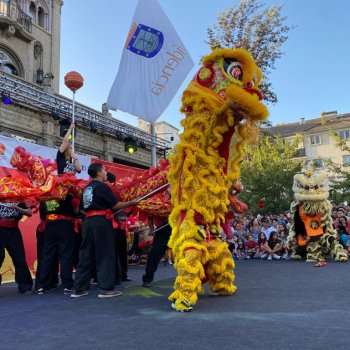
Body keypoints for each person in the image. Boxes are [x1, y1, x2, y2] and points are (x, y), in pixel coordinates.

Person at [70, 163, 138, 298]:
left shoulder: (87, 188)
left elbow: (82, 209)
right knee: (105, 254)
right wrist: (131, 203)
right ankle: (107, 289)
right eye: (105, 170)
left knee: (86, 255)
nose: (106, 173)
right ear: (99, 173)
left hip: (88, 223)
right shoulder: (102, 187)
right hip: (101, 222)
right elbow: (115, 205)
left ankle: (79, 288)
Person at [36, 193, 78, 294]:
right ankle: (67, 284)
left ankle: (43, 285)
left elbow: (42, 214)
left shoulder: (46, 194)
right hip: (64, 225)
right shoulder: (68, 193)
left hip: (49, 225)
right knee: (66, 254)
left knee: (47, 255)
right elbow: (76, 211)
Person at [0, 202, 33, 294]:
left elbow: (29, 213)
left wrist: (16, 207)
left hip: (13, 231)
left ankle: (25, 286)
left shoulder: (19, 198)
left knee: (19, 258)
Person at [142, 217, 172, 287]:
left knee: (183, 256)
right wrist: (151, 228)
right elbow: (150, 214)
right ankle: (147, 278)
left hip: (177, 230)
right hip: (162, 230)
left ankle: (187, 279)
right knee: (154, 255)